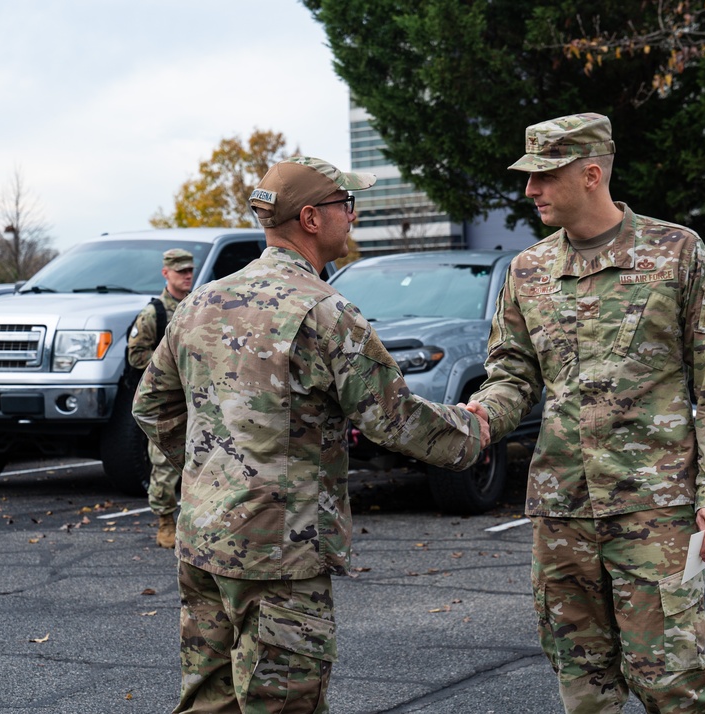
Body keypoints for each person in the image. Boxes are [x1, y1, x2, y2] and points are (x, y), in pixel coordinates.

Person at [132, 156, 489, 714]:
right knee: (283, 704)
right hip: (279, 554)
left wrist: (215, 474)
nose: (353, 215)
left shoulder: (200, 302)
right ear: (311, 218)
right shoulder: (324, 310)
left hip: (203, 541)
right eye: (346, 205)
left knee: (209, 703)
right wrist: (475, 431)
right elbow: (393, 418)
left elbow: (153, 407)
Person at [466, 114, 705, 713]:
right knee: (584, 684)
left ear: (590, 174)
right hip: (562, 507)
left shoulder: (676, 254)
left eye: (542, 177)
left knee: (671, 679)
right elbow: (513, 375)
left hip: (653, 507)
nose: (529, 191)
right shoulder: (527, 272)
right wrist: (480, 419)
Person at [126, 247, 194, 549]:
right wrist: (169, 360)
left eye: (190, 270)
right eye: (181, 271)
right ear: (166, 273)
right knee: (164, 463)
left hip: (197, 396)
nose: (187, 276)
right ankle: (165, 521)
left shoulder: (197, 305)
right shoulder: (154, 312)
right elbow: (135, 355)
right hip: (168, 401)